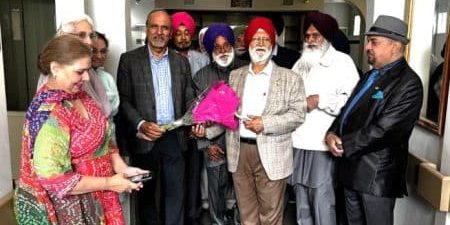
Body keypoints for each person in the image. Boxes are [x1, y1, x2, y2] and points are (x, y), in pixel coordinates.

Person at [14, 35, 146, 225]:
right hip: (74, 209)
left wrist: (122, 169)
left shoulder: (81, 95)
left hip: (103, 199)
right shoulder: (49, 112)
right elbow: (55, 180)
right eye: (80, 71)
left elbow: (105, 139)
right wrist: (109, 182)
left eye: (88, 70)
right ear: (55, 68)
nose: (86, 77)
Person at [325, 15, 423, 225]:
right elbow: (347, 111)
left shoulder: (409, 84)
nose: (367, 46)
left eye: (374, 42)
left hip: (375, 177)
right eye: (368, 41)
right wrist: (332, 132)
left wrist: (345, 143)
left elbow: (385, 130)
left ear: (395, 46)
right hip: (351, 171)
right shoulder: (370, 76)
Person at [116, 9, 194, 225]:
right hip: (144, 139)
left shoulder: (181, 63)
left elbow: (189, 99)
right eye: (155, 26)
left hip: (174, 137)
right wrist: (141, 124)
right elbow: (123, 100)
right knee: (147, 196)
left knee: (176, 193)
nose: (159, 32)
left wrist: (196, 118)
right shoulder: (129, 60)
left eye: (165, 27)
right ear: (147, 29)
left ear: (170, 33)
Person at [226, 16, 306, 225]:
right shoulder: (235, 76)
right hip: (239, 152)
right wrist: (204, 130)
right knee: (246, 214)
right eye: (256, 38)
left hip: (272, 153)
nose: (260, 44)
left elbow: (298, 114)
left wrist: (265, 123)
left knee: (270, 216)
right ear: (248, 42)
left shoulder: (290, 77)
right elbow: (228, 114)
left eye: (265, 39)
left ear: (273, 44)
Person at [290, 11, 359, 225]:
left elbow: (352, 104)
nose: (310, 40)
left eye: (316, 36)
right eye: (307, 36)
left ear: (327, 37)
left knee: (321, 201)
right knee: (300, 202)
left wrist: (320, 99)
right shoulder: (300, 63)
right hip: (297, 142)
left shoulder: (343, 63)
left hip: (322, 145)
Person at [192, 22, 247, 225]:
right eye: (217, 47)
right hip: (215, 145)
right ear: (209, 50)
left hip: (243, 143)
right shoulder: (201, 77)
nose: (223, 51)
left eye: (226, 46)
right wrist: (208, 146)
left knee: (244, 194)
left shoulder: (246, 70)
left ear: (232, 46)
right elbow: (198, 117)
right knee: (217, 194)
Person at [170, 11, 210, 225]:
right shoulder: (165, 58)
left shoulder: (201, 59)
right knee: (175, 176)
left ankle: (193, 215)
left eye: (187, 33)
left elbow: (207, 92)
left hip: (197, 126)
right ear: (172, 36)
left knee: (194, 172)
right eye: (178, 33)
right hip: (173, 128)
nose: (183, 37)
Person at [36, 14, 111, 117]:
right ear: (64, 35)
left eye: (91, 36)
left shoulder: (87, 71)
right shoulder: (49, 99)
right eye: (81, 35)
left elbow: (103, 110)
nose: (89, 42)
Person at [92, 31, 120, 142]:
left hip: (109, 139)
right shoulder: (77, 80)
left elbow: (115, 109)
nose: (99, 56)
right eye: (93, 51)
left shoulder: (107, 78)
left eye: (103, 51)